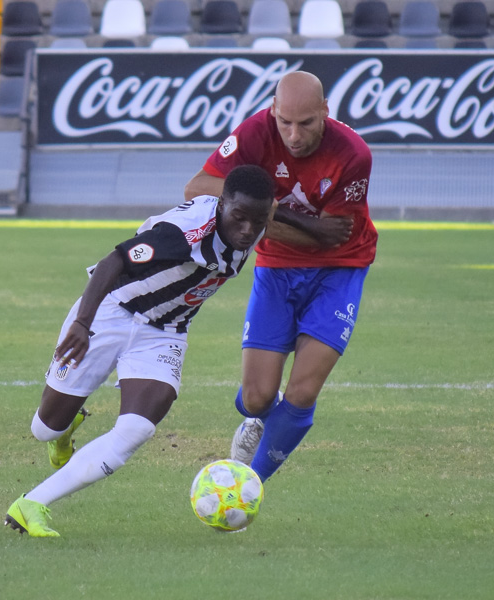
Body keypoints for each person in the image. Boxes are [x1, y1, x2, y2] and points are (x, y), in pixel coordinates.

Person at [5, 165, 276, 538]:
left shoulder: (252, 222)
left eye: (258, 221)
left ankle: (31, 504)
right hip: (110, 311)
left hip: (165, 332)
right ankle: (64, 433)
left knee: (136, 429)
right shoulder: (187, 234)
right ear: (222, 204)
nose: (247, 230)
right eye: (239, 218)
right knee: (44, 429)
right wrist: (82, 324)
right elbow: (113, 262)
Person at [182, 70, 375, 485]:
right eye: (284, 121)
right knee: (256, 398)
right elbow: (197, 187)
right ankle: (260, 421)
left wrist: (253, 213)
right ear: (273, 110)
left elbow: (327, 241)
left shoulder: (353, 154)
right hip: (275, 268)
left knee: (303, 392)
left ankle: (250, 484)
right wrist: (282, 213)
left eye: (305, 123)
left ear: (325, 112)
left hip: (338, 269)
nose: (293, 134)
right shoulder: (255, 133)